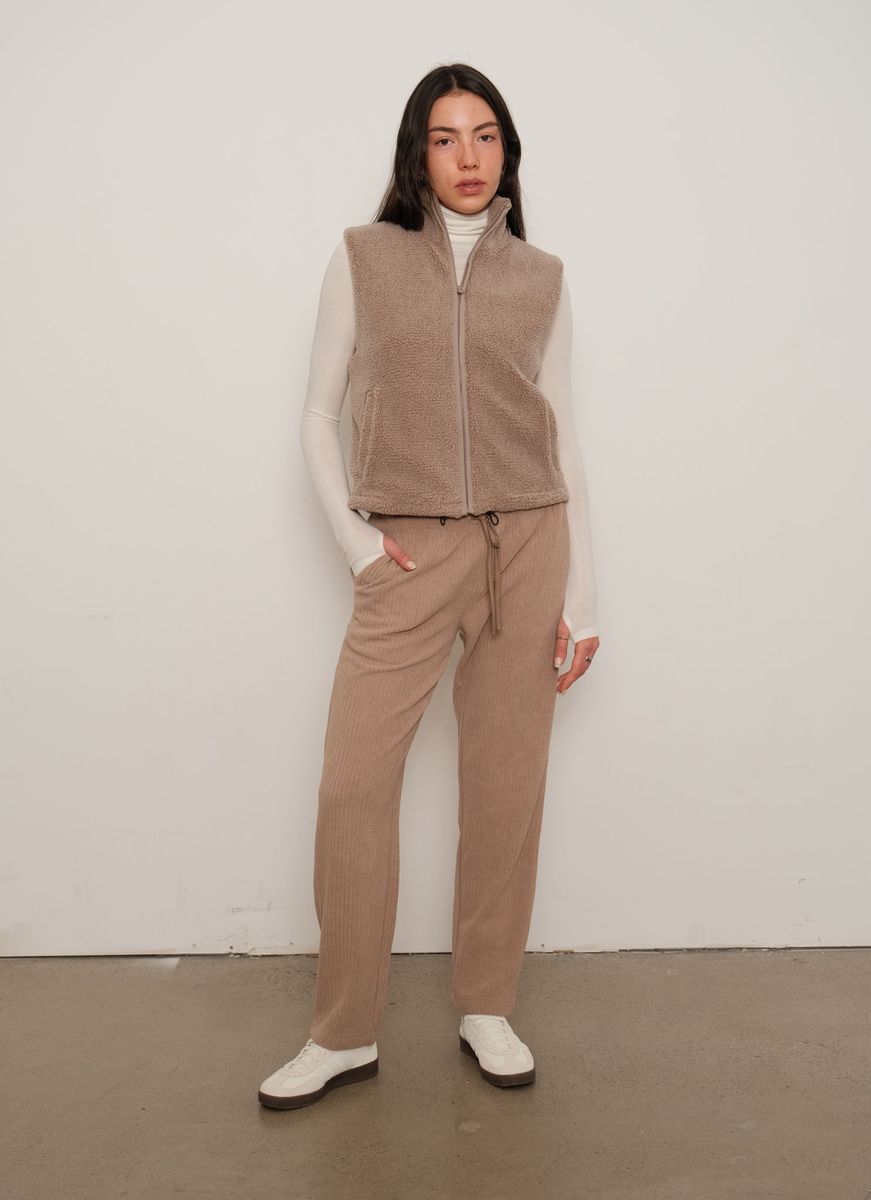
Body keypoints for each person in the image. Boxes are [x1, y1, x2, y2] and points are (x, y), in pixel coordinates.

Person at [259, 62, 600, 1110]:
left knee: (505, 789)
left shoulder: (541, 277)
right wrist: (358, 546)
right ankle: (343, 1032)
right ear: (417, 153)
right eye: (445, 138)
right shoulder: (363, 257)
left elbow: (562, 436)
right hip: (404, 552)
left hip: (524, 546)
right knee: (352, 787)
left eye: (485, 135)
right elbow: (316, 416)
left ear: (507, 151)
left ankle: (485, 1006)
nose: (467, 157)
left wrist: (583, 596)